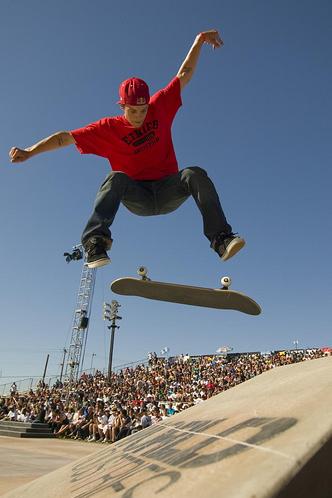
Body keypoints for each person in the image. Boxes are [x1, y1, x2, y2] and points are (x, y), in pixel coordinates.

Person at [9, 29, 245, 268]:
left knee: (194, 173)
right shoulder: (107, 128)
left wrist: (199, 41)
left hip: (168, 190)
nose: (139, 116)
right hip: (138, 196)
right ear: (122, 106)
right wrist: (30, 151)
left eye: (143, 110)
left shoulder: (160, 106)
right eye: (132, 111)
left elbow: (185, 73)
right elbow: (64, 138)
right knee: (115, 178)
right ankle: (95, 242)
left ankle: (221, 239)